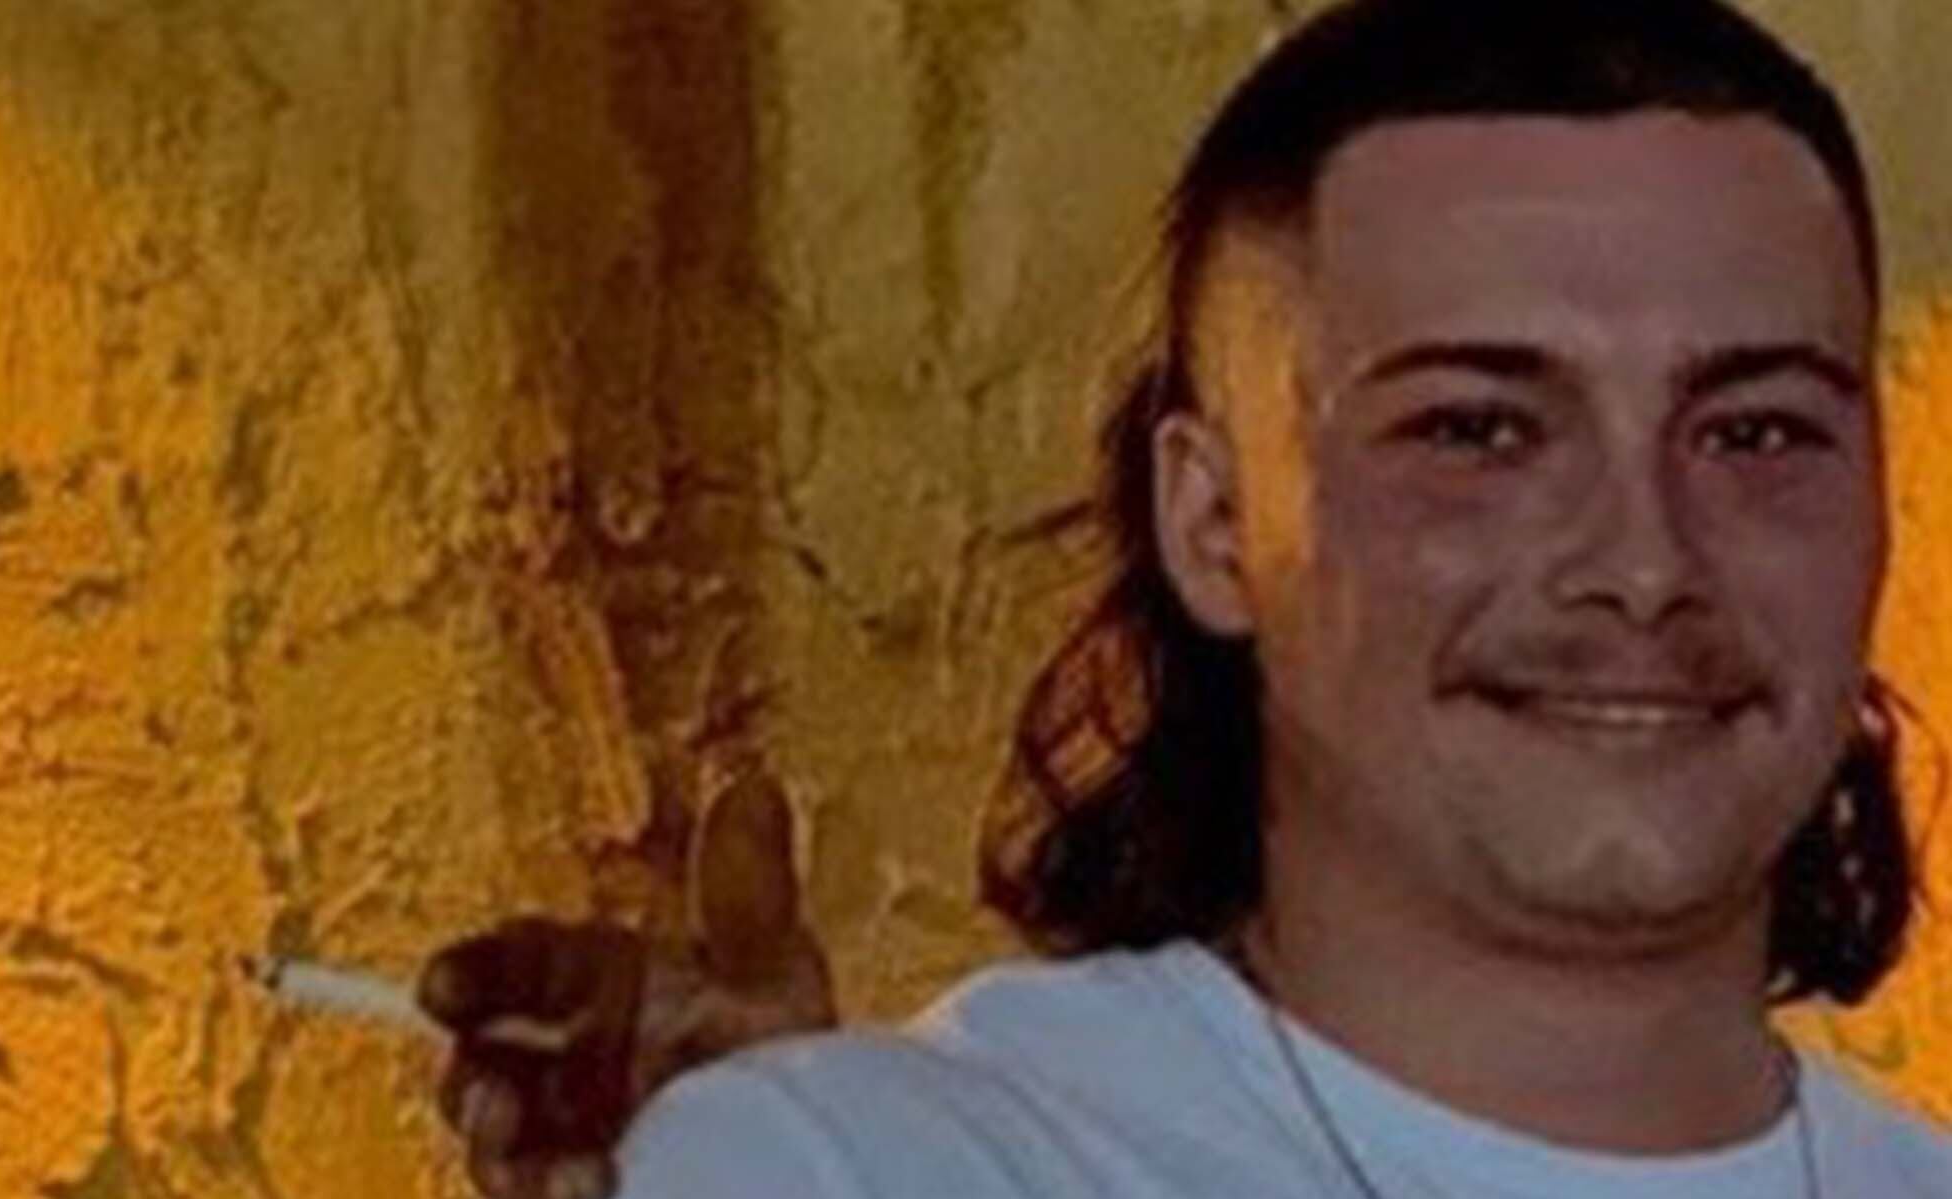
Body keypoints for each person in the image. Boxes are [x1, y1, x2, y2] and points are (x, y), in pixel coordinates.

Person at [419, 1, 1952, 1195]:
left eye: (1756, 434)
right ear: (1212, 521)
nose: (1642, 564)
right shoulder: (875, 1170)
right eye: (1476, 431)